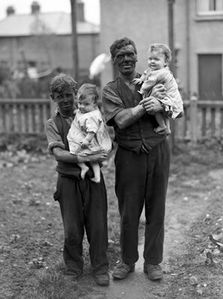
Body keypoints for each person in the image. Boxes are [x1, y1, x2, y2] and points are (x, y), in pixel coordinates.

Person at [102, 37, 183, 281]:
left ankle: (153, 262)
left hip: (158, 150)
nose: (126, 59)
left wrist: (161, 102)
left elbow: (175, 109)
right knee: (129, 210)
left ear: (137, 56)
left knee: (156, 208)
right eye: (120, 56)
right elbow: (122, 120)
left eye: (130, 54)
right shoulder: (110, 90)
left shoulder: (154, 77)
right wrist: (145, 106)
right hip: (129, 156)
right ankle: (127, 261)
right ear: (114, 61)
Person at [45, 73, 110, 286]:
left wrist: (100, 153)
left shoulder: (90, 113)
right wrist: (88, 156)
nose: (65, 100)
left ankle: (100, 267)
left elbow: (104, 140)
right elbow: (59, 155)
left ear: (75, 94)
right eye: (59, 96)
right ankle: (73, 267)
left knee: (98, 225)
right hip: (68, 181)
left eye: (68, 95)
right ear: (53, 97)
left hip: (93, 179)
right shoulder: (52, 123)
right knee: (72, 228)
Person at [133, 43, 183, 135]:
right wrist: (141, 79)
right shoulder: (155, 70)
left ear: (165, 62)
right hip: (167, 96)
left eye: (156, 59)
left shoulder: (160, 73)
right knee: (163, 112)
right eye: (150, 59)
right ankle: (167, 128)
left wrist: (142, 90)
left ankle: (163, 126)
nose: (152, 61)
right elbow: (146, 73)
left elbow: (149, 83)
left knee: (156, 109)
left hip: (170, 97)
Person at [67, 83, 112, 183]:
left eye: (86, 104)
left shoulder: (92, 116)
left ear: (95, 104)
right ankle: (97, 177)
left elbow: (92, 130)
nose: (82, 107)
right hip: (92, 143)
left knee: (75, 152)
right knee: (93, 160)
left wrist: (87, 140)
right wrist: (76, 112)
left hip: (89, 140)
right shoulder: (86, 111)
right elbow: (79, 113)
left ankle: (83, 167)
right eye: (80, 103)